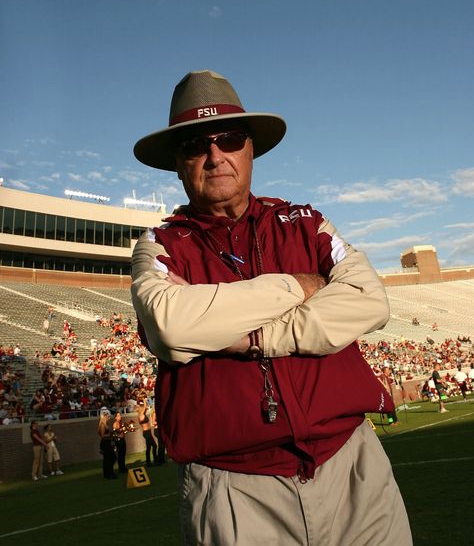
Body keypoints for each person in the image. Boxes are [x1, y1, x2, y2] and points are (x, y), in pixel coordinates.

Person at [131, 70, 412, 545]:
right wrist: (297, 286)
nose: (215, 155)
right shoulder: (159, 244)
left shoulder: (306, 222)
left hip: (353, 466)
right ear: (178, 164)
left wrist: (254, 337)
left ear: (251, 150)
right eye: (197, 145)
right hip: (234, 487)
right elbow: (170, 325)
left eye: (230, 139)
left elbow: (369, 300)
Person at [137, 399, 158, 467]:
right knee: (154, 445)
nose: (143, 407)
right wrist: (143, 399)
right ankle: (155, 460)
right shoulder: (140, 415)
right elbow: (145, 405)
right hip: (146, 433)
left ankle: (148, 463)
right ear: (139, 407)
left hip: (148, 432)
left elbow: (146, 406)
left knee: (148, 447)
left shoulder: (143, 413)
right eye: (141, 406)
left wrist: (144, 403)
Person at [98, 408, 116, 479]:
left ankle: (108, 473)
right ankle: (109, 474)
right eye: (108, 416)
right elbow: (102, 436)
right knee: (109, 459)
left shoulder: (106, 424)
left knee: (110, 458)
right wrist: (112, 434)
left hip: (108, 443)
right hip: (105, 444)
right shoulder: (102, 425)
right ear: (105, 416)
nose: (109, 418)